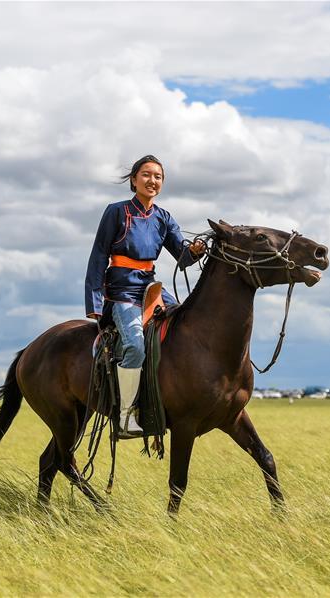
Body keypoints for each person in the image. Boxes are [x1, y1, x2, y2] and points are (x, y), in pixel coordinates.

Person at [85, 155, 205, 438]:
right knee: (136, 346)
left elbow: (183, 257)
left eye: (158, 177)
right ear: (134, 180)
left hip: (151, 289)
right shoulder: (116, 212)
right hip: (120, 292)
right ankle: (126, 417)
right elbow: (98, 256)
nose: (153, 181)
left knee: (185, 327)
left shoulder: (164, 218)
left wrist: (196, 251)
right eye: (147, 175)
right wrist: (95, 303)